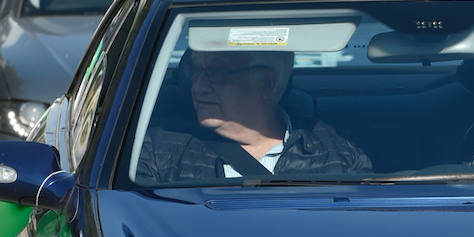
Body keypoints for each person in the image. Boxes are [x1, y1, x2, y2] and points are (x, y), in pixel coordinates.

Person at [137, 49, 372, 183]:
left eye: (217, 72)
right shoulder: (158, 152)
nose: (198, 87)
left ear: (265, 85)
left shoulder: (340, 159)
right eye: (196, 71)